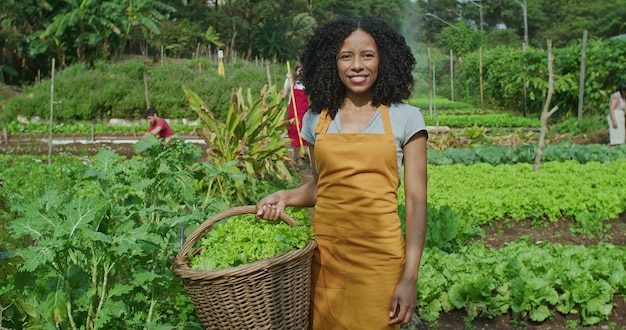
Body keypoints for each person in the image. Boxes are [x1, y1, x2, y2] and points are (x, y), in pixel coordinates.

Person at [255, 16, 428, 329]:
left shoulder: (407, 119)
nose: (357, 65)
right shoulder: (315, 119)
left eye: (368, 55)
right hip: (326, 259)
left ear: (384, 59)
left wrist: (409, 278)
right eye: (346, 56)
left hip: (380, 261)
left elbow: (417, 203)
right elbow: (323, 186)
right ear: (330, 63)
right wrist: (285, 196)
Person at [285, 62, 310, 166]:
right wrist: (287, 80)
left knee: (307, 136)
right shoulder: (291, 81)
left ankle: (312, 163)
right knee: (295, 135)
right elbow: (284, 93)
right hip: (293, 113)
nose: (300, 72)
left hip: (304, 112)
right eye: (298, 70)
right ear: (295, 71)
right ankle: (294, 161)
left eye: (302, 70)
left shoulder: (307, 83)